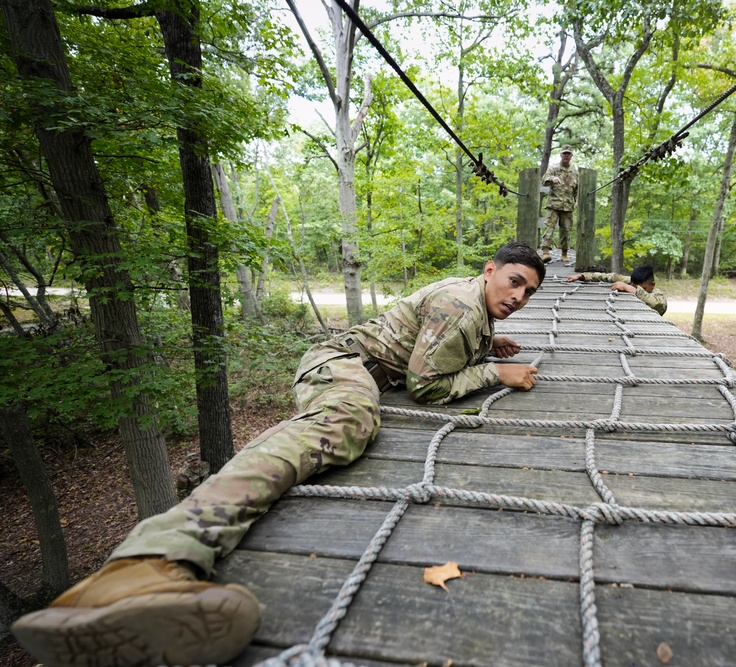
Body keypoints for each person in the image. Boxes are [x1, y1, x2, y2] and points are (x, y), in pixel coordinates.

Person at [12, 241, 546, 667]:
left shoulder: (472, 306)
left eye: (528, 293)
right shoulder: (459, 303)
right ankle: (148, 565)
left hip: (360, 366)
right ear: (488, 270)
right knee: (348, 422)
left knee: (351, 420)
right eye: (513, 281)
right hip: (341, 365)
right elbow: (426, 386)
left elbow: (430, 343)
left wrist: (484, 344)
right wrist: (493, 371)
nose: (519, 296)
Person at [566, 265, 667, 315]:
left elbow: (658, 305)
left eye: (643, 288)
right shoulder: (630, 281)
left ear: (653, 285)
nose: (634, 287)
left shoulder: (657, 295)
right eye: (633, 285)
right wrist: (582, 276)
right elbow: (609, 277)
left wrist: (628, 288)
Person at [540, 146, 579, 263]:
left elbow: (577, 190)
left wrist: (577, 201)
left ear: (571, 156)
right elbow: (544, 180)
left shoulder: (574, 172)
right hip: (553, 205)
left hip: (568, 206)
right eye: (564, 154)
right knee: (549, 228)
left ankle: (564, 253)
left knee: (566, 231)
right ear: (561, 155)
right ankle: (545, 252)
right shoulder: (554, 168)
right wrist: (552, 178)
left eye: (568, 154)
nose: (566, 156)